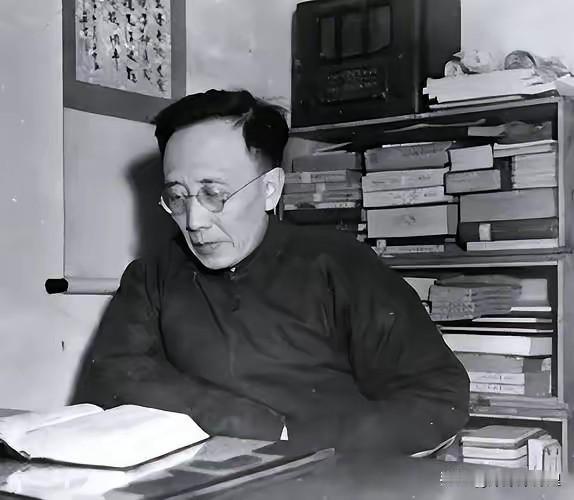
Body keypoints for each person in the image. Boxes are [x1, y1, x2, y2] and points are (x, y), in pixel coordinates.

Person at [72, 89, 469, 455]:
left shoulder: (340, 265)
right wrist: (250, 423)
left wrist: (300, 439)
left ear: (270, 189)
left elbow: (438, 398)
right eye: (177, 196)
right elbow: (113, 379)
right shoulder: (152, 276)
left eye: (214, 194)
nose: (194, 221)